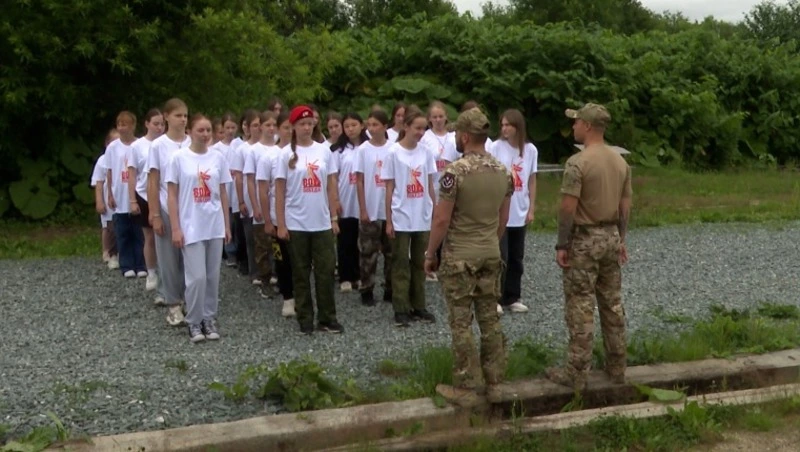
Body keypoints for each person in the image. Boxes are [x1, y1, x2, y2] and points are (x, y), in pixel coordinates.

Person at [423, 107, 513, 406]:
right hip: (490, 252)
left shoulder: (454, 173)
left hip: (460, 255)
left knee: (461, 322)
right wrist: (489, 241)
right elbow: (503, 221)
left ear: (463, 136)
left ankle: (465, 385)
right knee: (490, 320)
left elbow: (441, 220)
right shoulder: (503, 171)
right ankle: (495, 382)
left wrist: (430, 251)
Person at [546, 103, 632, 392]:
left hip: (585, 240)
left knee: (580, 305)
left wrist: (562, 242)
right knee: (612, 304)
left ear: (588, 126)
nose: (573, 127)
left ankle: (577, 372)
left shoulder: (577, 163)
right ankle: (617, 366)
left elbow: (568, 207)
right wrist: (621, 238)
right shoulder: (620, 162)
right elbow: (624, 207)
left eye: (577, 122)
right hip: (610, 236)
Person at [275, 105, 343, 335]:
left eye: (309, 123)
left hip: (321, 221)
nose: (306, 127)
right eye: (301, 124)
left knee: (325, 271)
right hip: (297, 222)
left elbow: (331, 184)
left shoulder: (323, 151)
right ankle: (305, 317)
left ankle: (327, 317)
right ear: (293, 126)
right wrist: (281, 224)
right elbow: (280, 191)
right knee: (300, 272)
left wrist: (334, 216)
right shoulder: (285, 154)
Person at [166, 114, 232, 343]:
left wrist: (226, 224)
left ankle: (209, 317)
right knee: (196, 277)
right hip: (190, 225)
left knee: (212, 275)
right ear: (191, 132)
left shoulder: (218, 158)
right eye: (200, 130)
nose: (205, 135)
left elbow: (223, 192)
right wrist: (175, 227)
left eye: (208, 131)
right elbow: (172, 195)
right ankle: (193, 320)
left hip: (213, 224)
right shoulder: (179, 158)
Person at [381, 106, 437, 327]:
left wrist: (434, 211)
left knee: (420, 262)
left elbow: (431, 184)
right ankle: (401, 307)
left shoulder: (426, 152)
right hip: (401, 215)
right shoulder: (393, 152)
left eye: (424, 129)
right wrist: (388, 219)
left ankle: (419, 305)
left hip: (421, 214)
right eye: (417, 128)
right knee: (401, 262)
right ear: (406, 127)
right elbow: (389, 187)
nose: (421, 132)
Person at [147, 98, 191, 327]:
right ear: (166, 117)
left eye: (185, 115)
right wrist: (154, 213)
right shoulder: (158, 146)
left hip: (190, 209)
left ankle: (189, 299)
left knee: (189, 257)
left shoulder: (192, 142)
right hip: (166, 206)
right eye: (178, 115)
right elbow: (153, 181)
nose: (183, 119)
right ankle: (173, 304)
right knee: (169, 259)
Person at [489, 109, 538, 315]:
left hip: (520, 208)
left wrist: (532, 207)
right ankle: (495, 297)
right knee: (501, 256)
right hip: (501, 210)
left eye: (508, 124)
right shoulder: (495, 147)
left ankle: (513, 296)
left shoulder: (530, 150)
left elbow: (532, 179)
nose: (504, 128)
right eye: (502, 125)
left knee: (517, 257)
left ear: (517, 126)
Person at [355, 110, 393, 306]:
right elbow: (359, 180)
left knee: (390, 252)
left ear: (385, 126)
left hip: (389, 209)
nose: (371, 129)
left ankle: (390, 288)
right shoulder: (362, 150)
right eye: (369, 125)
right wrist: (362, 208)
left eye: (376, 125)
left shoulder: (393, 149)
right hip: (370, 206)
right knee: (368, 252)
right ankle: (366, 288)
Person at [128, 108, 165, 297]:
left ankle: (167, 274)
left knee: (165, 237)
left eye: (162, 124)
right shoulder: (137, 146)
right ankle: (151, 272)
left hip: (164, 195)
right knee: (149, 236)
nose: (159, 127)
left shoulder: (166, 144)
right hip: (144, 194)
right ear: (147, 124)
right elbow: (132, 174)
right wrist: (132, 199)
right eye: (156, 123)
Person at [331, 112, 369, 293]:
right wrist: (335, 199)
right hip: (346, 200)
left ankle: (360, 275)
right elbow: (333, 177)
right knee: (346, 240)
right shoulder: (338, 151)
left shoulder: (368, 147)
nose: (350, 129)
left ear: (362, 125)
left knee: (364, 242)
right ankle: (346, 276)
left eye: (354, 125)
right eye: (347, 126)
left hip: (365, 201)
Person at [106, 111, 146, 279]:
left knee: (139, 232)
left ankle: (141, 264)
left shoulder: (139, 145)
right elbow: (109, 172)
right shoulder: (112, 147)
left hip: (137, 194)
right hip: (119, 195)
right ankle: (126, 264)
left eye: (125, 124)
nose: (122, 128)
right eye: (119, 124)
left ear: (133, 126)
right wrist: (110, 194)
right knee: (122, 233)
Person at [232, 110, 261, 285]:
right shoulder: (242, 149)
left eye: (260, 124)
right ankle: (254, 272)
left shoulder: (272, 147)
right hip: (249, 200)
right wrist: (241, 201)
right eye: (255, 125)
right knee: (251, 238)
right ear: (248, 128)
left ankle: (270, 270)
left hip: (267, 199)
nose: (258, 128)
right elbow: (238, 176)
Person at [93, 128, 119, 269]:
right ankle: (107, 251)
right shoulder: (102, 160)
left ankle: (121, 252)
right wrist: (99, 201)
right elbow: (98, 182)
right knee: (108, 227)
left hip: (121, 197)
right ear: (107, 143)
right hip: (107, 198)